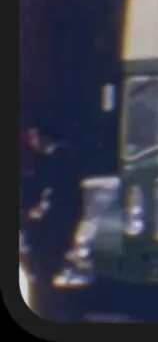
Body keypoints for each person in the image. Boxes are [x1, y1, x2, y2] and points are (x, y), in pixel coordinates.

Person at [21, 125, 82, 319]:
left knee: (43, 268)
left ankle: (47, 309)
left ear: (41, 137)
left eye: (33, 138)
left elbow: (49, 192)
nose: (31, 143)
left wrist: (35, 214)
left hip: (52, 224)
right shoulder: (64, 156)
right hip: (63, 220)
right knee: (51, 267)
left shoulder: (55, 158)